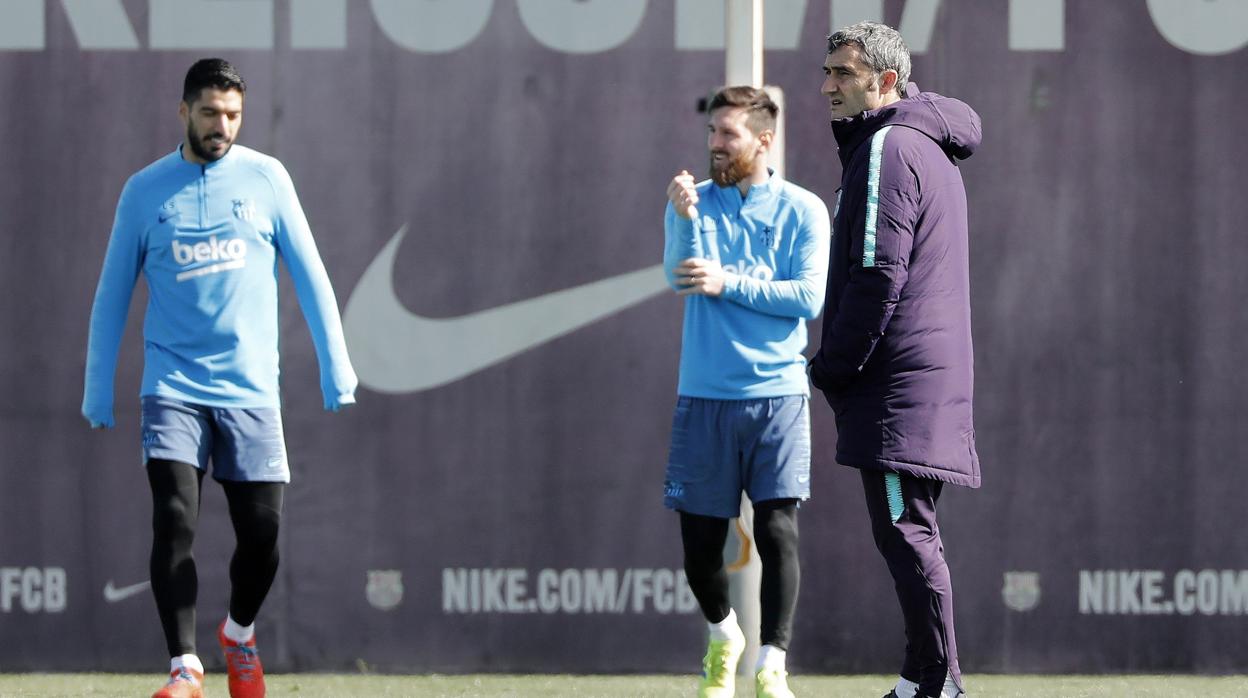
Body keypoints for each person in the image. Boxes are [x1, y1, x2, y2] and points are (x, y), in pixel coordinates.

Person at [82, 58, 357, 698]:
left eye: (232, 115)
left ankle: (237, 634)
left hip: (251, 391)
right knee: (174, 517)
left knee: (262, 538)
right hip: (172, 390)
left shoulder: (267, 179)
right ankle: (184, 668)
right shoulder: (144, 191)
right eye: (210, 113)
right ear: (184, 112)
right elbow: (110, 295)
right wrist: (98, 386)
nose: (222, 126)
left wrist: (336, 368)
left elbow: (313, 278)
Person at [808, 21, 982, 698]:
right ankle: (918, 681)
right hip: (909, 376)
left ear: (884, 82)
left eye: (842, 74)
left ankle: (940, 685)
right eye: (826, 72)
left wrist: (835, 364)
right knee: (908, 532)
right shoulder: (914, 143)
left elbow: (879, 273)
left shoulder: (889, 145)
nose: (827, 86)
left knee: (908, 535)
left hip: (895, 379)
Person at [663, 85, 830, 698]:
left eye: (727, 134)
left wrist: (727, 280)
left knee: (778, 529)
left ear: (763, 139)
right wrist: (684, 222)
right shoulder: (692, 202)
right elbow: (681, 279)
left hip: (778, 396)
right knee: (699, 547)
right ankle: (722, 635)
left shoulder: (804, 210)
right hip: (704, 395)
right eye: (712, 133)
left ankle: (772, 664)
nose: (715, 145)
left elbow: (808, 299)